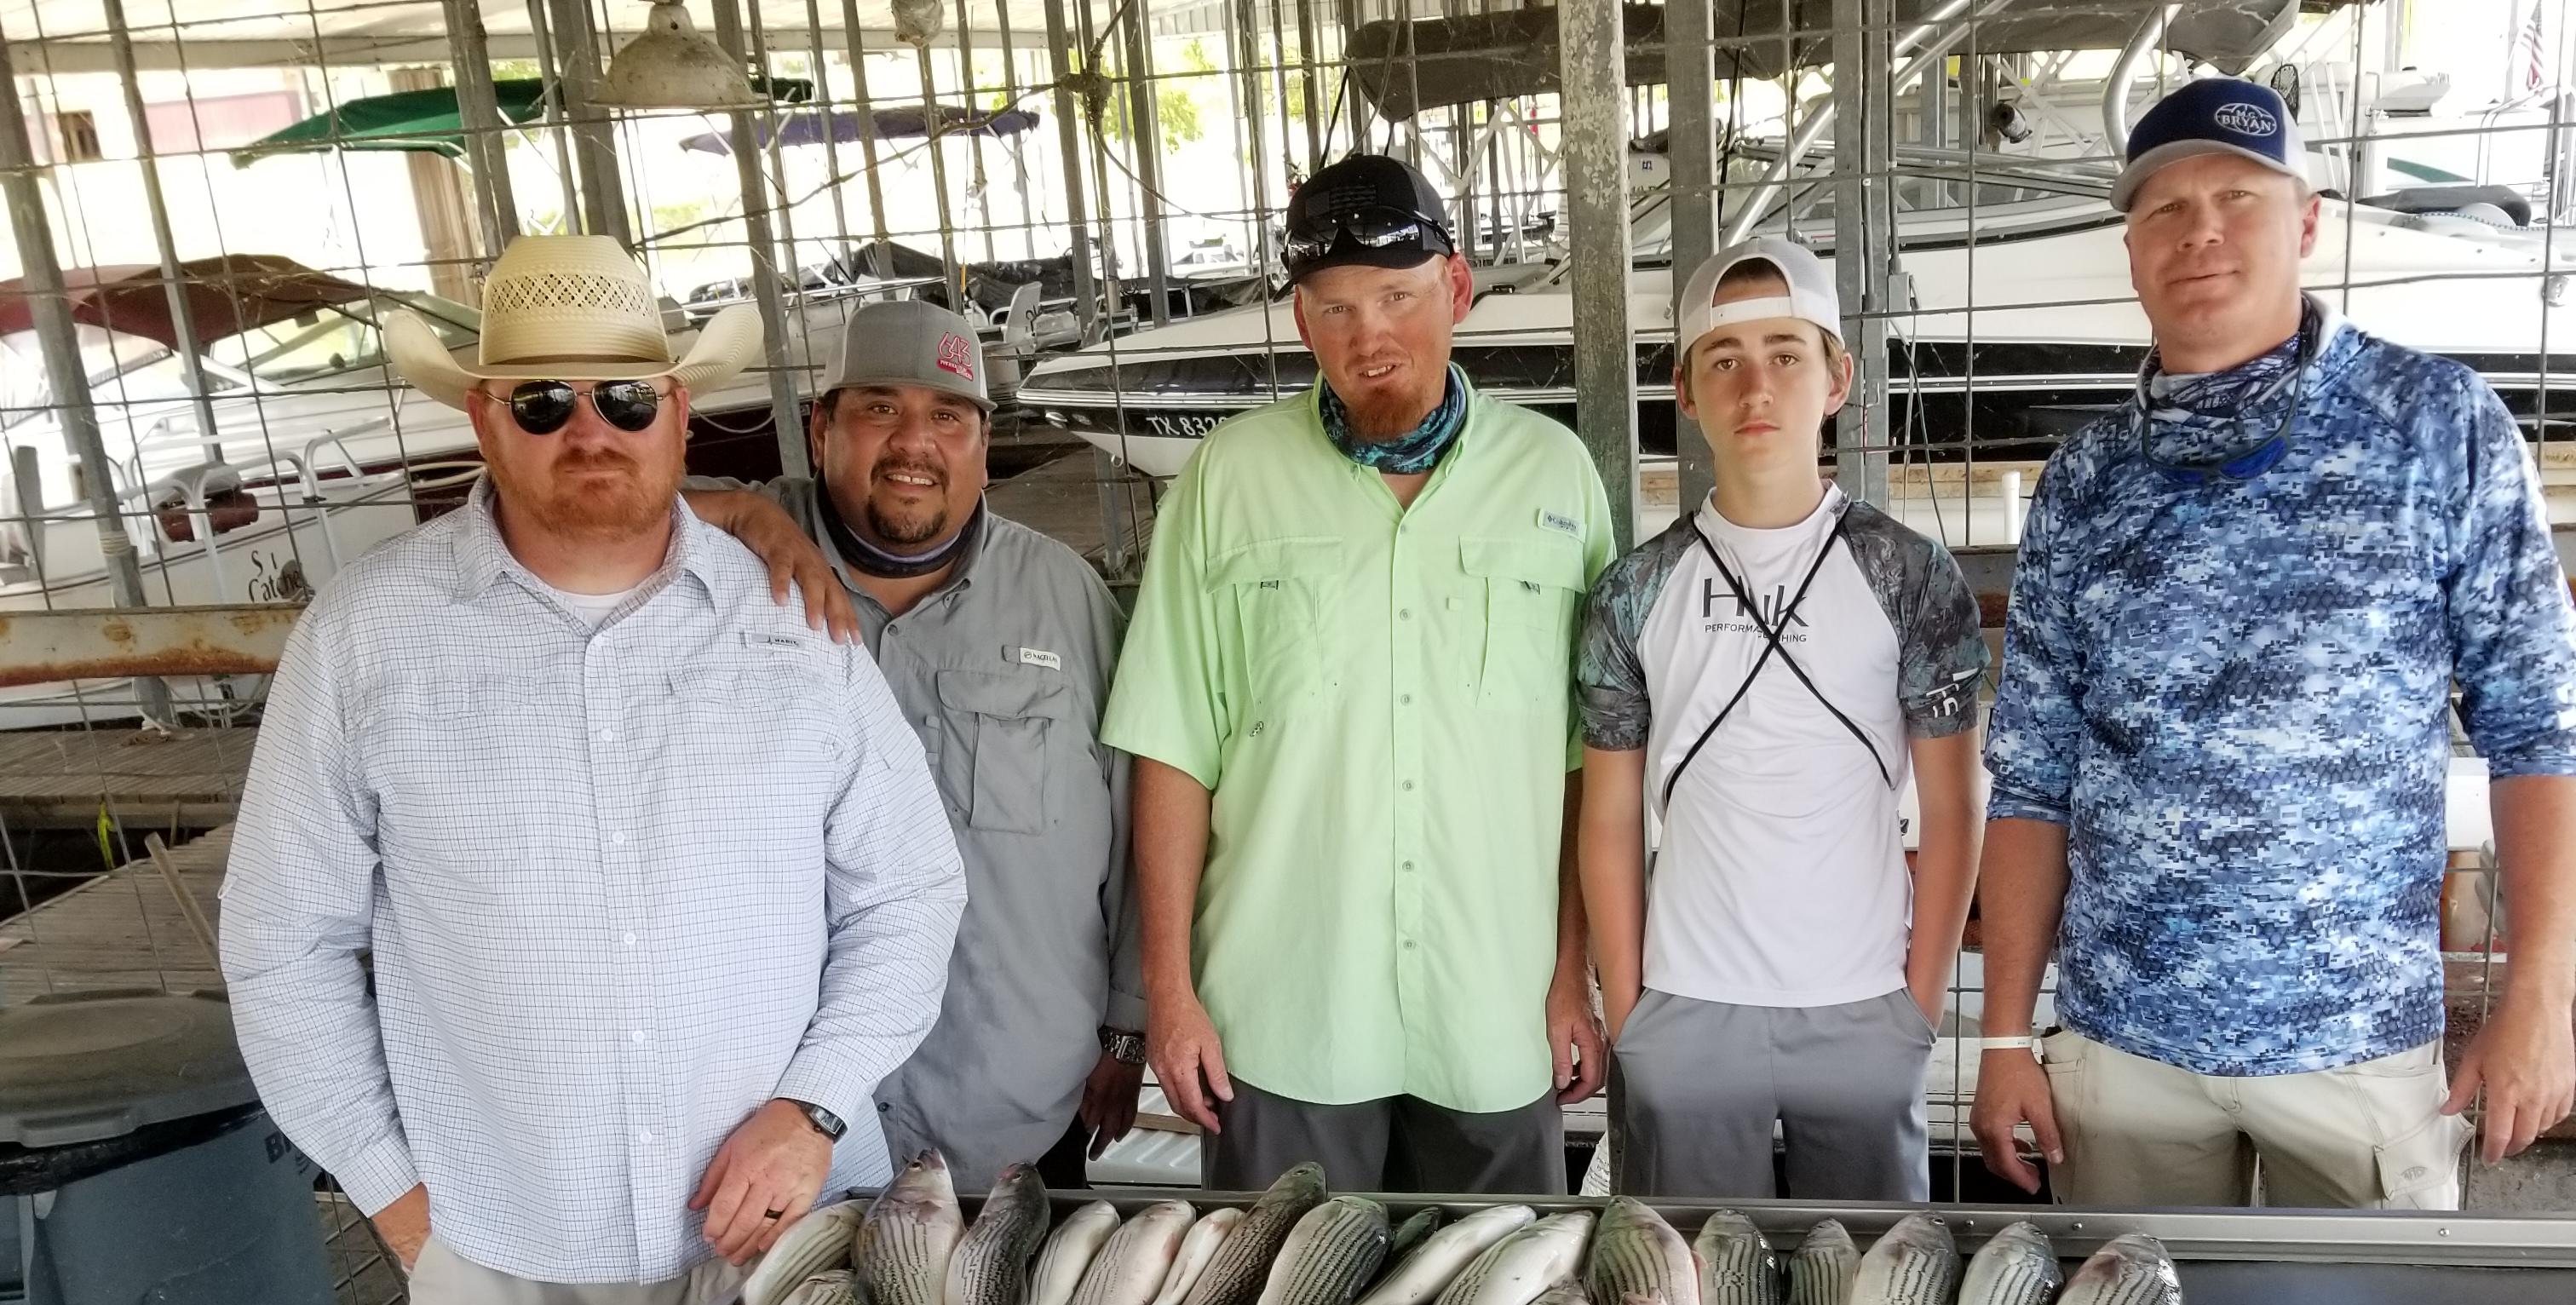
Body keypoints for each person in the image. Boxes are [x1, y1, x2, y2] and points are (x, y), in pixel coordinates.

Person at [221, 234, 965, 1305]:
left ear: (679, 412)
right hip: (501, 1263)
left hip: (779, 1254)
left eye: (625, 398)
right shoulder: (365, 637)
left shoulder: (797, 625)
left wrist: (811, 1104)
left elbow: (908, 893)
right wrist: (400, 1201)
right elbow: (283, 944)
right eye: (543, 401)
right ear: (482, 418)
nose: (591, 430)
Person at [1975, 76, 2576, 1209]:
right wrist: (2005, 1037)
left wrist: (2541, 996)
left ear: (2305, 220)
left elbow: (2541, 727)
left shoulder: (2438, 424)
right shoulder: (2085, 482)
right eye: (2164, 207)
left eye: (2237, 196)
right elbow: (2032, 782)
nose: (2199, 228)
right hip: (2121, 1052)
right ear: (2132, 245)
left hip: (2357, 1050)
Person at [1102, 153, 1619, 1193]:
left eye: (1397, 298)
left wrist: (1574, 975)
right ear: (1302, 321)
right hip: (1284, 1016)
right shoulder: (1226, 481)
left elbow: (1584, 762)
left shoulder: (1555, 475)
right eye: (1335, 308)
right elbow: (1171, 751)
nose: (1369, 336)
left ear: (1458, 290)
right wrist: (1171, 994)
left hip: (1493, 1011)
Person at [689, 302, 1144, 1190]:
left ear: (982, 440)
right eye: (880, 409)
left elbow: (1137, 831)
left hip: (1013, 1114)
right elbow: (572, 507)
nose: (914, 443)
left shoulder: (1064, 595)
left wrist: (1129, 1031)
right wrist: (741, 514)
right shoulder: (718, 574)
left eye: (947, 417)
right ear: (821, 428)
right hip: (780, 1136)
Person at [1578, 237, 1987, 1199]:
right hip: (1686, 1007)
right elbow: (1606, 817)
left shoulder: (1913, 574)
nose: (1755, 385)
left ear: (1839, 376)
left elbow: (1955, 804)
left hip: (1864, 1007)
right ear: (1686, 392)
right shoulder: (1634, 589)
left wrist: (1916, 1009)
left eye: (1786, 354)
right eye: (1724, 360)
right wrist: (1632, 1011)